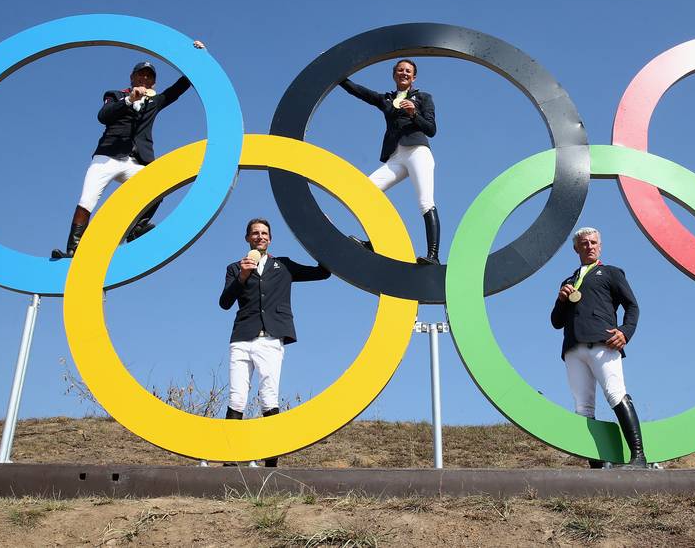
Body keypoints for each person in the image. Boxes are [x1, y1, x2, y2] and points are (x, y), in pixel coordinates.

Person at [51, 39, 206, 259]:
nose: (144, 78)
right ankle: (73, 249)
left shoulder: (156, 101)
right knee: (87, 200)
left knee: (159, 185)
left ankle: (135, 229)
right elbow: (103, 116)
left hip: (138, 161)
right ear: (132, 77)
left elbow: (179, 88)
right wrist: (128, 101)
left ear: (153, 82)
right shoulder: (115, 95)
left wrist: (197, 58)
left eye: (149, 76)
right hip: (108, 156)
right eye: (140, 74)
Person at [218, 218, 331, 466]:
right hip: (241, 338)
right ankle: (229, 460)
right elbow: (224, 303)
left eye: (265, 233)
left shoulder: (284, 266)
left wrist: (322, 238)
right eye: (255, 233)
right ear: (247, 238)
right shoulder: (235, 268)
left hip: (270, 339)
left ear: (270, 238)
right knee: (237, 397)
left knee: (269, 397)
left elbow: (323, 273)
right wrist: (243, 275)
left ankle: (271, 463)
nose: (260, 236)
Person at [550, 227, 647, 468]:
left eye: (594, 243)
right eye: (584, 244)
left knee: (615, 393)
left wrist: (625, 332)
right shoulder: (568, 282)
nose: (590, 246)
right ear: (576, 248)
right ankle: (597, 464)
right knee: (582, 405)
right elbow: (556, 321)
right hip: (573, 348)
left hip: (603, 343)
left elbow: (632, 306)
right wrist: (561, 300)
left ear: (600, 246)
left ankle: (638, 456)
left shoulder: (611, 273)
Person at [339, 59, 441, 264]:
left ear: (414, 77)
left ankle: (434, 256)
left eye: (408, 71)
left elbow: (431, 129)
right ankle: (376, 241)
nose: (404, 73)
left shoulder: (423, 97)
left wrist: (414, 114)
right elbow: (359, 91)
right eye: (400, 70)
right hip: (396, 155)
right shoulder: (386, 99)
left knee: (425, 201)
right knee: (366, 191)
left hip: (418, 152)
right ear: (394, 74)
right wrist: (337, 76)